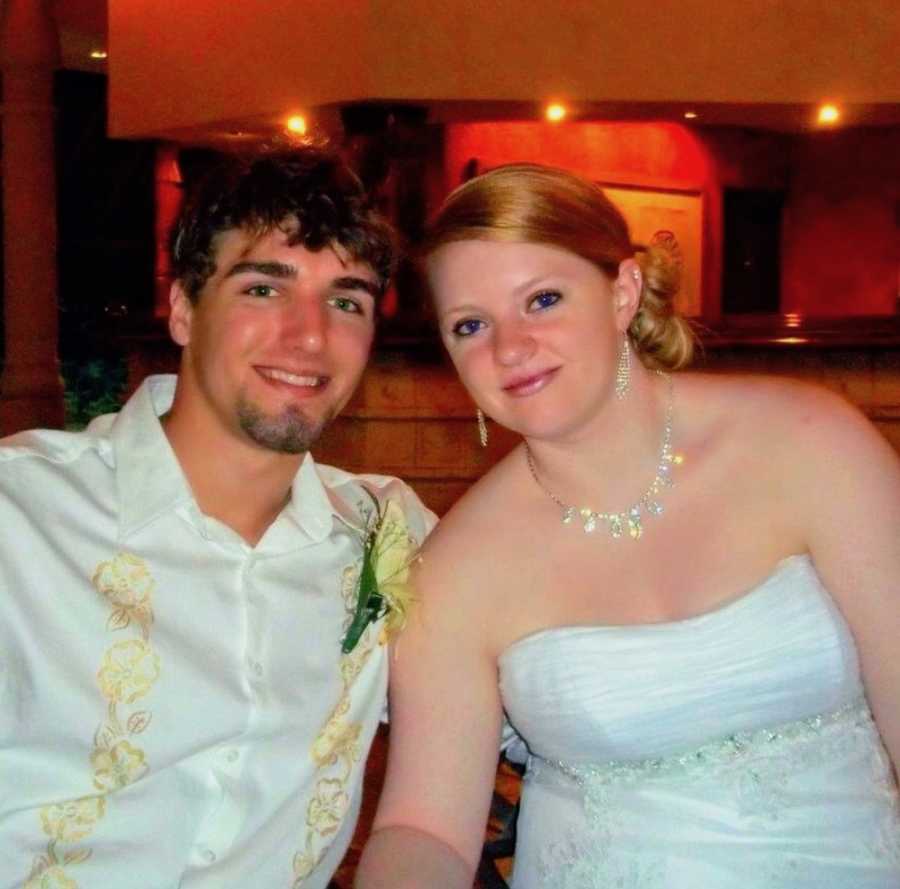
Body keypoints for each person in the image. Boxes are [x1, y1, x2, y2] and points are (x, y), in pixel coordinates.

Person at [357, 163, 900, 888]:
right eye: (471, 324)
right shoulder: (456, 568)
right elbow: (423, 825)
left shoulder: (811, 443)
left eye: (542, 299)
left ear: (623, 289)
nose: (509, 349)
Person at [0, 145, 435, 889]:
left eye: (347, 300)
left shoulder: (386, 532)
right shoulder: (22, 516)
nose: (309, 335)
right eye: (265, 287)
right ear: (182, 309)